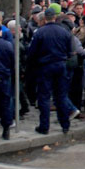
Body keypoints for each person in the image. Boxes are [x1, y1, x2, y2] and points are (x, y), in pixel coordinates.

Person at [27, 7, 73, 135]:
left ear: (44, 18)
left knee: (44, 97)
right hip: (60, 65)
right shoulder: (64, 32)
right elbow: (70, 51)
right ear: (55, 17)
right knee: (61, 96)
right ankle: (65, 124)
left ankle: (44, 126)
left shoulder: (40, 32)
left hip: (45, 66)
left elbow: (32, 53)